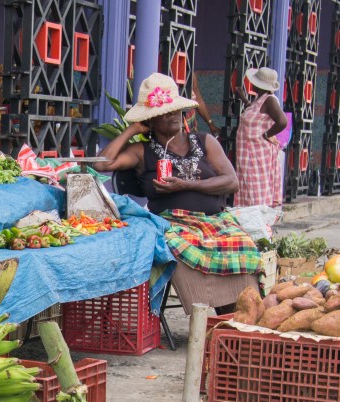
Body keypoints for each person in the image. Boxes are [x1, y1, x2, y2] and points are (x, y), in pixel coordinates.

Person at [93, 73, 261, 315]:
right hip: (173, 223)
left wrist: (185, 185)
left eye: (175, 109)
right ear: (150, 121)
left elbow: (231, 181)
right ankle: (203, 316)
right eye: (163, 112)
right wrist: (132, 130)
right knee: (181, 245)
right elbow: (101, 165)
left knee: (242, 243)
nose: (172, 114)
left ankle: (237, 316)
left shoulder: (205, 142)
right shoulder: (142, 150)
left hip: (215, 220)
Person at [233, 67, 288, 207]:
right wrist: (244, 98)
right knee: (247, 188)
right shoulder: (261, 100)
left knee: (255, 190)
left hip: (258, 155)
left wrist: (266, 134)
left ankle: (260, 223)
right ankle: (250, 223)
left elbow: (282, 121)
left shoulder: (270, 100)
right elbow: (255, 113)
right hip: (248, 155)